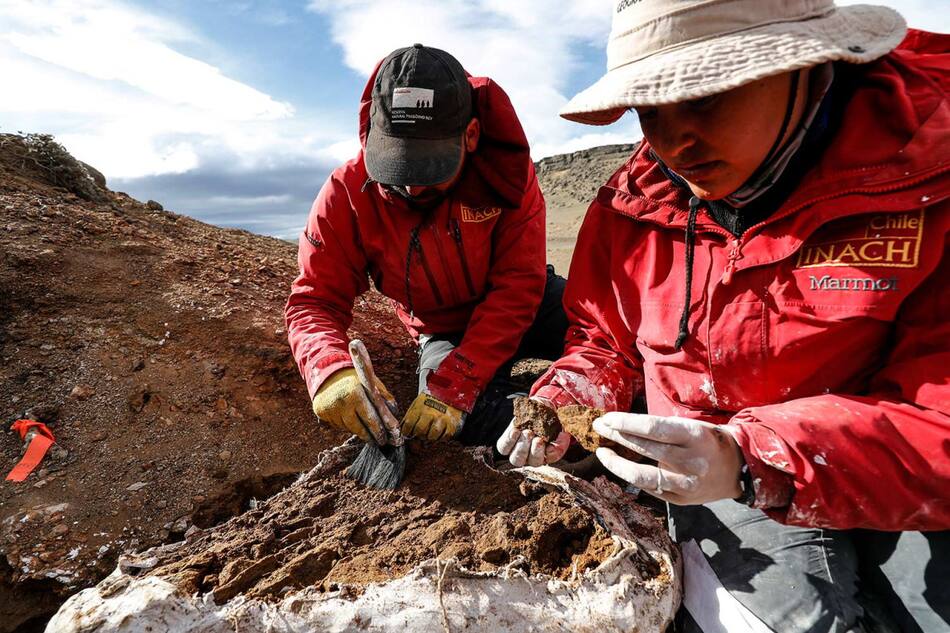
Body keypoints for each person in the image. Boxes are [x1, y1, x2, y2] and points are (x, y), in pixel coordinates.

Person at [497, 1, 949, 631]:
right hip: (708, 476)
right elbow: (606, 339)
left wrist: (751, 457)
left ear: (802, 64)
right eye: (649, 110)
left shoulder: (931, 177)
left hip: (896, 472)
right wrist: (571, 392)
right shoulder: (632, 205)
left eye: (706, 96)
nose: (674, 142)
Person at [286, 44, 567, 450]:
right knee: (455, 423)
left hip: (531, 302)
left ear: (470, 136)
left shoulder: (505, 176)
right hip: (444, 330)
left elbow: (519, 286)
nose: (412, 186)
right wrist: (329, 369)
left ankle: (605, 412)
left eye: (429, 166)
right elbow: (315, 300)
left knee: (613, 340)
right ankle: (564, 432)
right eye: (397, 164)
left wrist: (462, 379)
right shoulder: (346, 192)